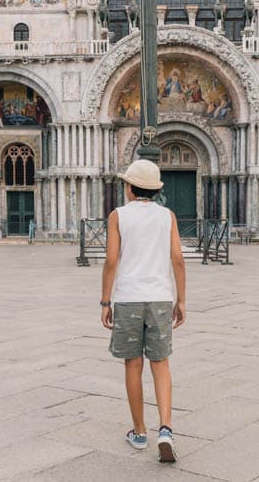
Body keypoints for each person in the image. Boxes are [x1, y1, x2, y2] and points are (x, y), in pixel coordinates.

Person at [101, 159, 186, 463]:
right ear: (154, 189)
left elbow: (111, 260)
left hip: (128, 298)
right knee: (160, 363)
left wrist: (105, 301)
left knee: (133, 365)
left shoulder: (118, 216)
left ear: (130, 188)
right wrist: (181, 300)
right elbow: (178, 260)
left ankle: (139, 432)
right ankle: (166, 429)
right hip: (160, 297)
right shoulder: (167, 216)